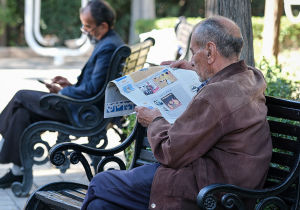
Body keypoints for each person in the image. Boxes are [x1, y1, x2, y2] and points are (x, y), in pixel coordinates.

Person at [81, 16, 272, 210]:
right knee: (100, 206)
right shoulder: (251, 77)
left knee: (100, 184)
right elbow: (223, 75)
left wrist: (154, 120)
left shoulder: (216, 95)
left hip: (207, 190)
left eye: (193, 52)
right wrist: (194, 68)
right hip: (227, 183)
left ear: (210, 51)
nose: (190, 60)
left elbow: (170, 151)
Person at [0, 0, 124, 188]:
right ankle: (17, 172)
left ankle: (3, 142)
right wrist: (70, 85)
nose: (85, 30)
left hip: (83, 112)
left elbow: (92, 91)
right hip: (85, 107)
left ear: (103, 25)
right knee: (21, 113)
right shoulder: (109, 42)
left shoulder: (108, 46)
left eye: (88, 26)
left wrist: (64, 91)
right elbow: (95, 86)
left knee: (21, 96)